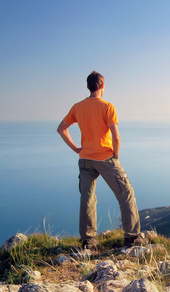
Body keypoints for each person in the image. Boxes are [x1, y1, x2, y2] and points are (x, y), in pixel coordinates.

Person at [57, 71, 146, 249]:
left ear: (88, 86)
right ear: (103, 86)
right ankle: (132, 237)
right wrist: (116, 154)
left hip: (85, 160)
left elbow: (61, 129)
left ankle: (88, 241)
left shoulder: (78, 107)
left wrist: (76, 148)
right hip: (105, 157)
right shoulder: (107, 106)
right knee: (126, 194)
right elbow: (116, 136)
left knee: (87, 199)